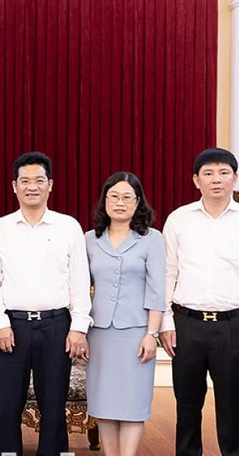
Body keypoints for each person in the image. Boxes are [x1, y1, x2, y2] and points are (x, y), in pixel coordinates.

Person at [160, 147, 239, 456]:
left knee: (233, 404)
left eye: (224, 173)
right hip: (186, 324)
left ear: (235, 178)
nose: (216, 180)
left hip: (232, 326)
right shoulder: (178, 219)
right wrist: (166, 324)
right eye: (208, 173)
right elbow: (167, 274)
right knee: (186, 405)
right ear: (196, 180)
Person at [0, 151, 91, 456]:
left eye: (39, 180)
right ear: (14, 186)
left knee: (53, 405)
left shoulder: (68, 227)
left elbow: (79, 280)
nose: (32, 186)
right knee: (6, 405)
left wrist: (78, 327)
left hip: (57, 326)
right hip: (11, 328)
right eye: (25, 181)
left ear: (50, 185)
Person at [84, 171, 165, 456]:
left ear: (138, 202)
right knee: (104, 404)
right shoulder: (90, 240)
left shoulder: (151, 239)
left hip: (136, 333)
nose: (120, 202)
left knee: (132, 405)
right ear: (105, 201)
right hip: (100, 334)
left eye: (127, 197)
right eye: (114, 196)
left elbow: (157, 291)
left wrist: (151, 334)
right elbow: (80, 288)